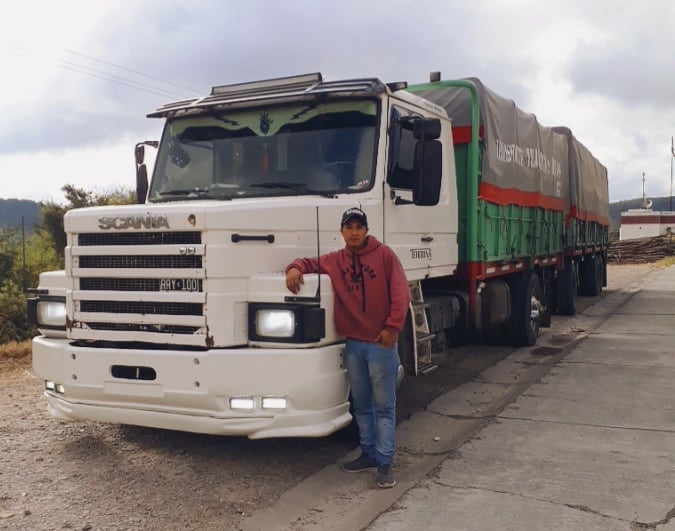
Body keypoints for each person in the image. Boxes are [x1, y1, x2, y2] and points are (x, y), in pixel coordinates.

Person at [285, 207, 410, 488]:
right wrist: (293, 269)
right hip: (354, 345)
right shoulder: (335, 260)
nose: (354, 232)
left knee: (384, 407)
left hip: (380, 344)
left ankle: (385, 464)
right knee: (362, 405)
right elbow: (308, 263)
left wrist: (392, 328)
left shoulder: (385, 256)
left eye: (358, 226)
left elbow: (401, 293)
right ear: (341, 232)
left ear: (366, 230)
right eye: (348, 227)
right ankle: (368, 453)